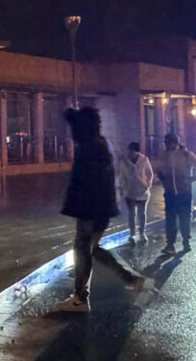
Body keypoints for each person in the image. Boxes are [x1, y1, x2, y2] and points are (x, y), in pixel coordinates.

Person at [58, 107, 148, 313]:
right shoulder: (97, 143)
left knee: (83, 251)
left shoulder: (90, 147)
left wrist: (83, 207)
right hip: (98, 207)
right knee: (91, 249)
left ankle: (81, 299)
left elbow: (88, 182)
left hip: (91, 208)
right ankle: (132, 280)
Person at [154, 133, 196, 254]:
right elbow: (159, 169)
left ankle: (186, 240)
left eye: (169, 142)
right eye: (165, 143)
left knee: (185, 217)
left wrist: (193, 178)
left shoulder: (186, 155)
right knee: (170, 219)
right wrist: (163, 179)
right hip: (170, 192)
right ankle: (170, 244)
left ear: (175, 142)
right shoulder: (164, 155)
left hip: (184, 192)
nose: (167, 145)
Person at [120, 142, 154, 247]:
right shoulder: (124, 161)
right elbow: (122, 176)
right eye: (129, 151)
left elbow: (150, 173)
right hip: (129, 192)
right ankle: (132, 234)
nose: (130, 153)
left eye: (133, 151)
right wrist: (124, 189)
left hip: (142, 191)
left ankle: (142, 233)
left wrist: (147, 185)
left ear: (137, 151)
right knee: (131, 214)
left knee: (141, 213)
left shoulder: (144, 160)